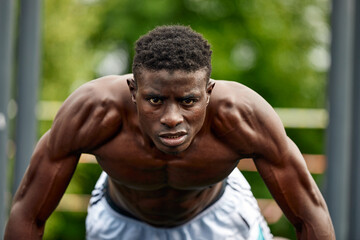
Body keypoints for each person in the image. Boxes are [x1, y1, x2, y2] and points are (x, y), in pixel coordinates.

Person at [5, 25, 334, 240]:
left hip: (217, 214)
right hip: (122, 219)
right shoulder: (93, 112)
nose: (172, 118)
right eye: (155, 100)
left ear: (209, 92)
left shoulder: (242, 116)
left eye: (188, 101)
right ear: (133, 90)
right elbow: (28, 214)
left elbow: (310, 216)